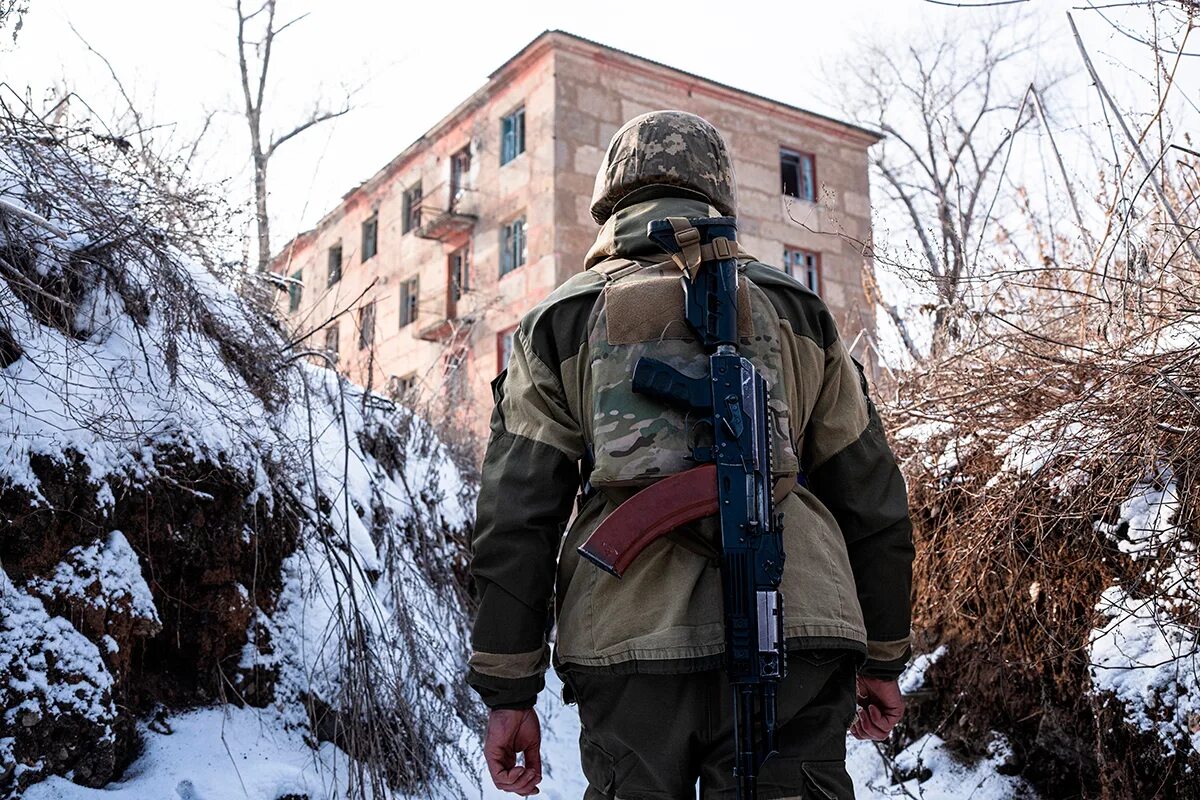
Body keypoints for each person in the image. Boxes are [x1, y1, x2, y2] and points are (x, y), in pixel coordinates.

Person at [467, 110, 914, 799]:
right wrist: (883, 654)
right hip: (799, 633)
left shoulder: (557, 322)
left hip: (630, 643)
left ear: (612, 198)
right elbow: (872, 497)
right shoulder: (800, 312)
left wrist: (509, 686)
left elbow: (517, 512)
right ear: (719, 193)